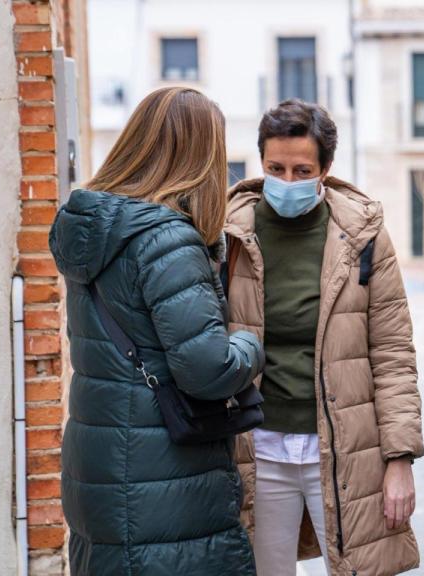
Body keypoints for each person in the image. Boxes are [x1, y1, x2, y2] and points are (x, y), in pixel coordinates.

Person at [49, 87, 264, 575]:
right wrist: (249, 343)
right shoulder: (167, 239)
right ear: (198, 155)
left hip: (101, 465)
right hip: (162, 478)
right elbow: (209, 369)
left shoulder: (97, 231)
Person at [224, 99, 423, 576]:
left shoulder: (362, 234)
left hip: (345, 450)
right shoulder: (229, 233)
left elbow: (393, 351)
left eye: (301, 170)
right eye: (275, 168)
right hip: (259, 449)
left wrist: (399, 459)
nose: (287, 182)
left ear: (325, 169)